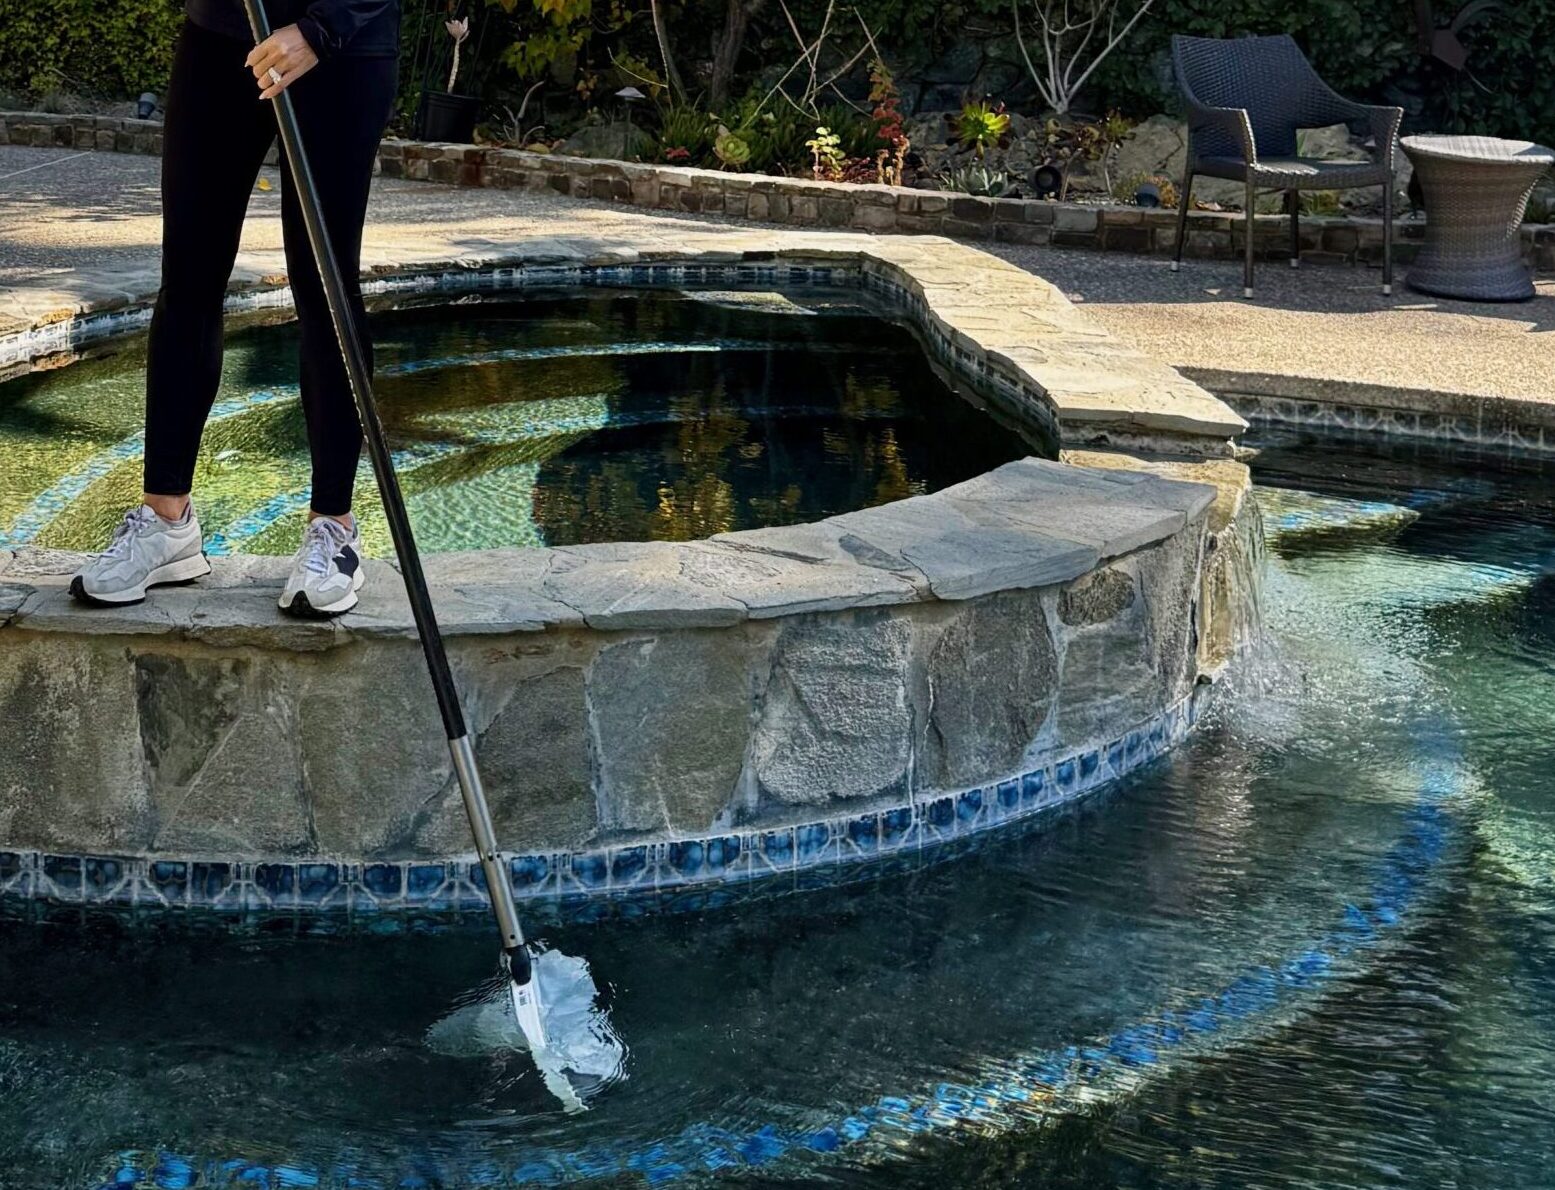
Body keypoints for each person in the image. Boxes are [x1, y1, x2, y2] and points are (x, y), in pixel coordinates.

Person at [70, 0, 400, 617]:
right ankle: (167, 522)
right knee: (190, 276)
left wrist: (318, 30)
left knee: (324, 284)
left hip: (341, 53)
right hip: (221, 36)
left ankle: (334, 527)